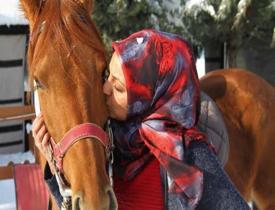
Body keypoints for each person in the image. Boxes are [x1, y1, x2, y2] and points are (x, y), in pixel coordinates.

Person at [32, 29, 250, 210]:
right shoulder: (110, 139)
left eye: (118, 87)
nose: (105, 89)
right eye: (107, 76)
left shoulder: (187, 153)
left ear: (147, 97)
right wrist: (55, 163)